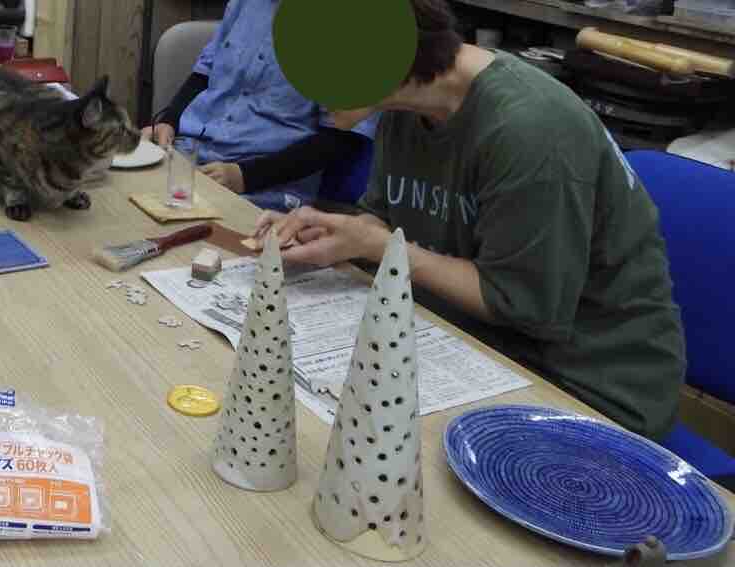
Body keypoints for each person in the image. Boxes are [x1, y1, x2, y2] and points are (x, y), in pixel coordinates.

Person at [258, 0, 683, 440]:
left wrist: (377, 246)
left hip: (584, 383)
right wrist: (335, 234)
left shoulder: (530, 128)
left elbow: (521, 303)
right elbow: (382, 221)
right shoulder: (404, 110)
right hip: (469, 339)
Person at [143, 0, 378, 212]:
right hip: (188, 154)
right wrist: (169, 121)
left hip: (264, 186)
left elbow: (341, 139)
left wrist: (244, 176)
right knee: (125, 197)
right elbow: (205, 71)